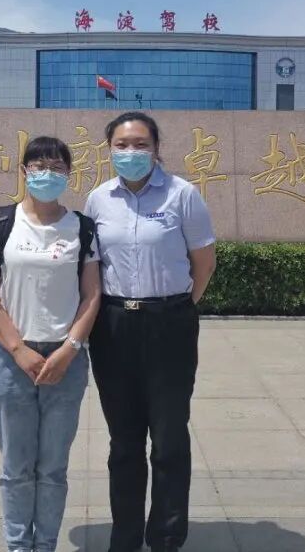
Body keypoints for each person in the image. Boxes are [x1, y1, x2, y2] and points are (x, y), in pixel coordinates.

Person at [84, 112, 218, 552]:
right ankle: (124, 537)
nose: (131, 152)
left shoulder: (183, 194)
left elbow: (204, 263)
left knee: (169, 437)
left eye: (140, 144)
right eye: (121, 145)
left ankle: (165, 536)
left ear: (157, 148)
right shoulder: (98, 200)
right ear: (109, 150)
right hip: (113, 325)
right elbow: (93, 266)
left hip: (169, 323)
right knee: (123, 441)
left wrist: (176, 308)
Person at [0, 136, 102, 552]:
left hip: (66, 359)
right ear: (24, 171)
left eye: (57, 167)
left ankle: (44, 545)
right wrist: (17, 348)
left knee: (52, 468)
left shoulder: (82, 227)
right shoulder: (0, 221)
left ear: (69, 174)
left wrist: (69, 349)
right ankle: (19, 547)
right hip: (10, 359)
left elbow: (92, 295)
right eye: (39, 165)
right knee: (16, 466)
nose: (48, 173)